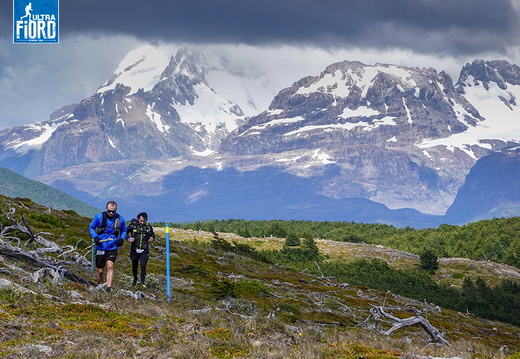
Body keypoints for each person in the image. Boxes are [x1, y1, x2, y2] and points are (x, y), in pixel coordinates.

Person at [89, 201, 127, 291]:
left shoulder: (120, 219)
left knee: (110, 266)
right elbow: (91, 227)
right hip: (101, 245)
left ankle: (108, 288)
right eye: (109, 211)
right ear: (106, 209)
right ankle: (99, 285)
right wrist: (95, 237)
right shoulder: (99, 217)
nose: (111, 213)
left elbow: (124, 230)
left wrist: (121, 239)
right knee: (100, 270)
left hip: (113, 246)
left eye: (113, 211)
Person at [126, 212, 155, 287]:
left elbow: (153, 235)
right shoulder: (133, 226)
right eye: (141, 221)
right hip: (134, 249)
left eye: (144, 221)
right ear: (138, 219)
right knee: (134, 265)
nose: (142, 222)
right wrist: (128, 238)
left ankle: (142, 282)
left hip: (144, 249)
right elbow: (124, 233)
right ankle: (135, 279)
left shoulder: (148, 227)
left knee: (143, 265)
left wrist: (152, 238)